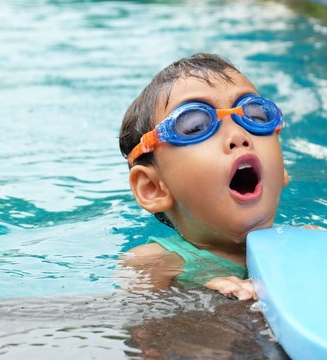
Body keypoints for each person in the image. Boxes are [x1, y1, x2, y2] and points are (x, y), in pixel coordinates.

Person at [119, 53, 289, 300]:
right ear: (153, 188)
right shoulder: (154, 263)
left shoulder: (305, 242)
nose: (239, 136)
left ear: (282, 170)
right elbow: (139, 332)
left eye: (255, 115)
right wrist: (213, 308)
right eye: (195, 125)